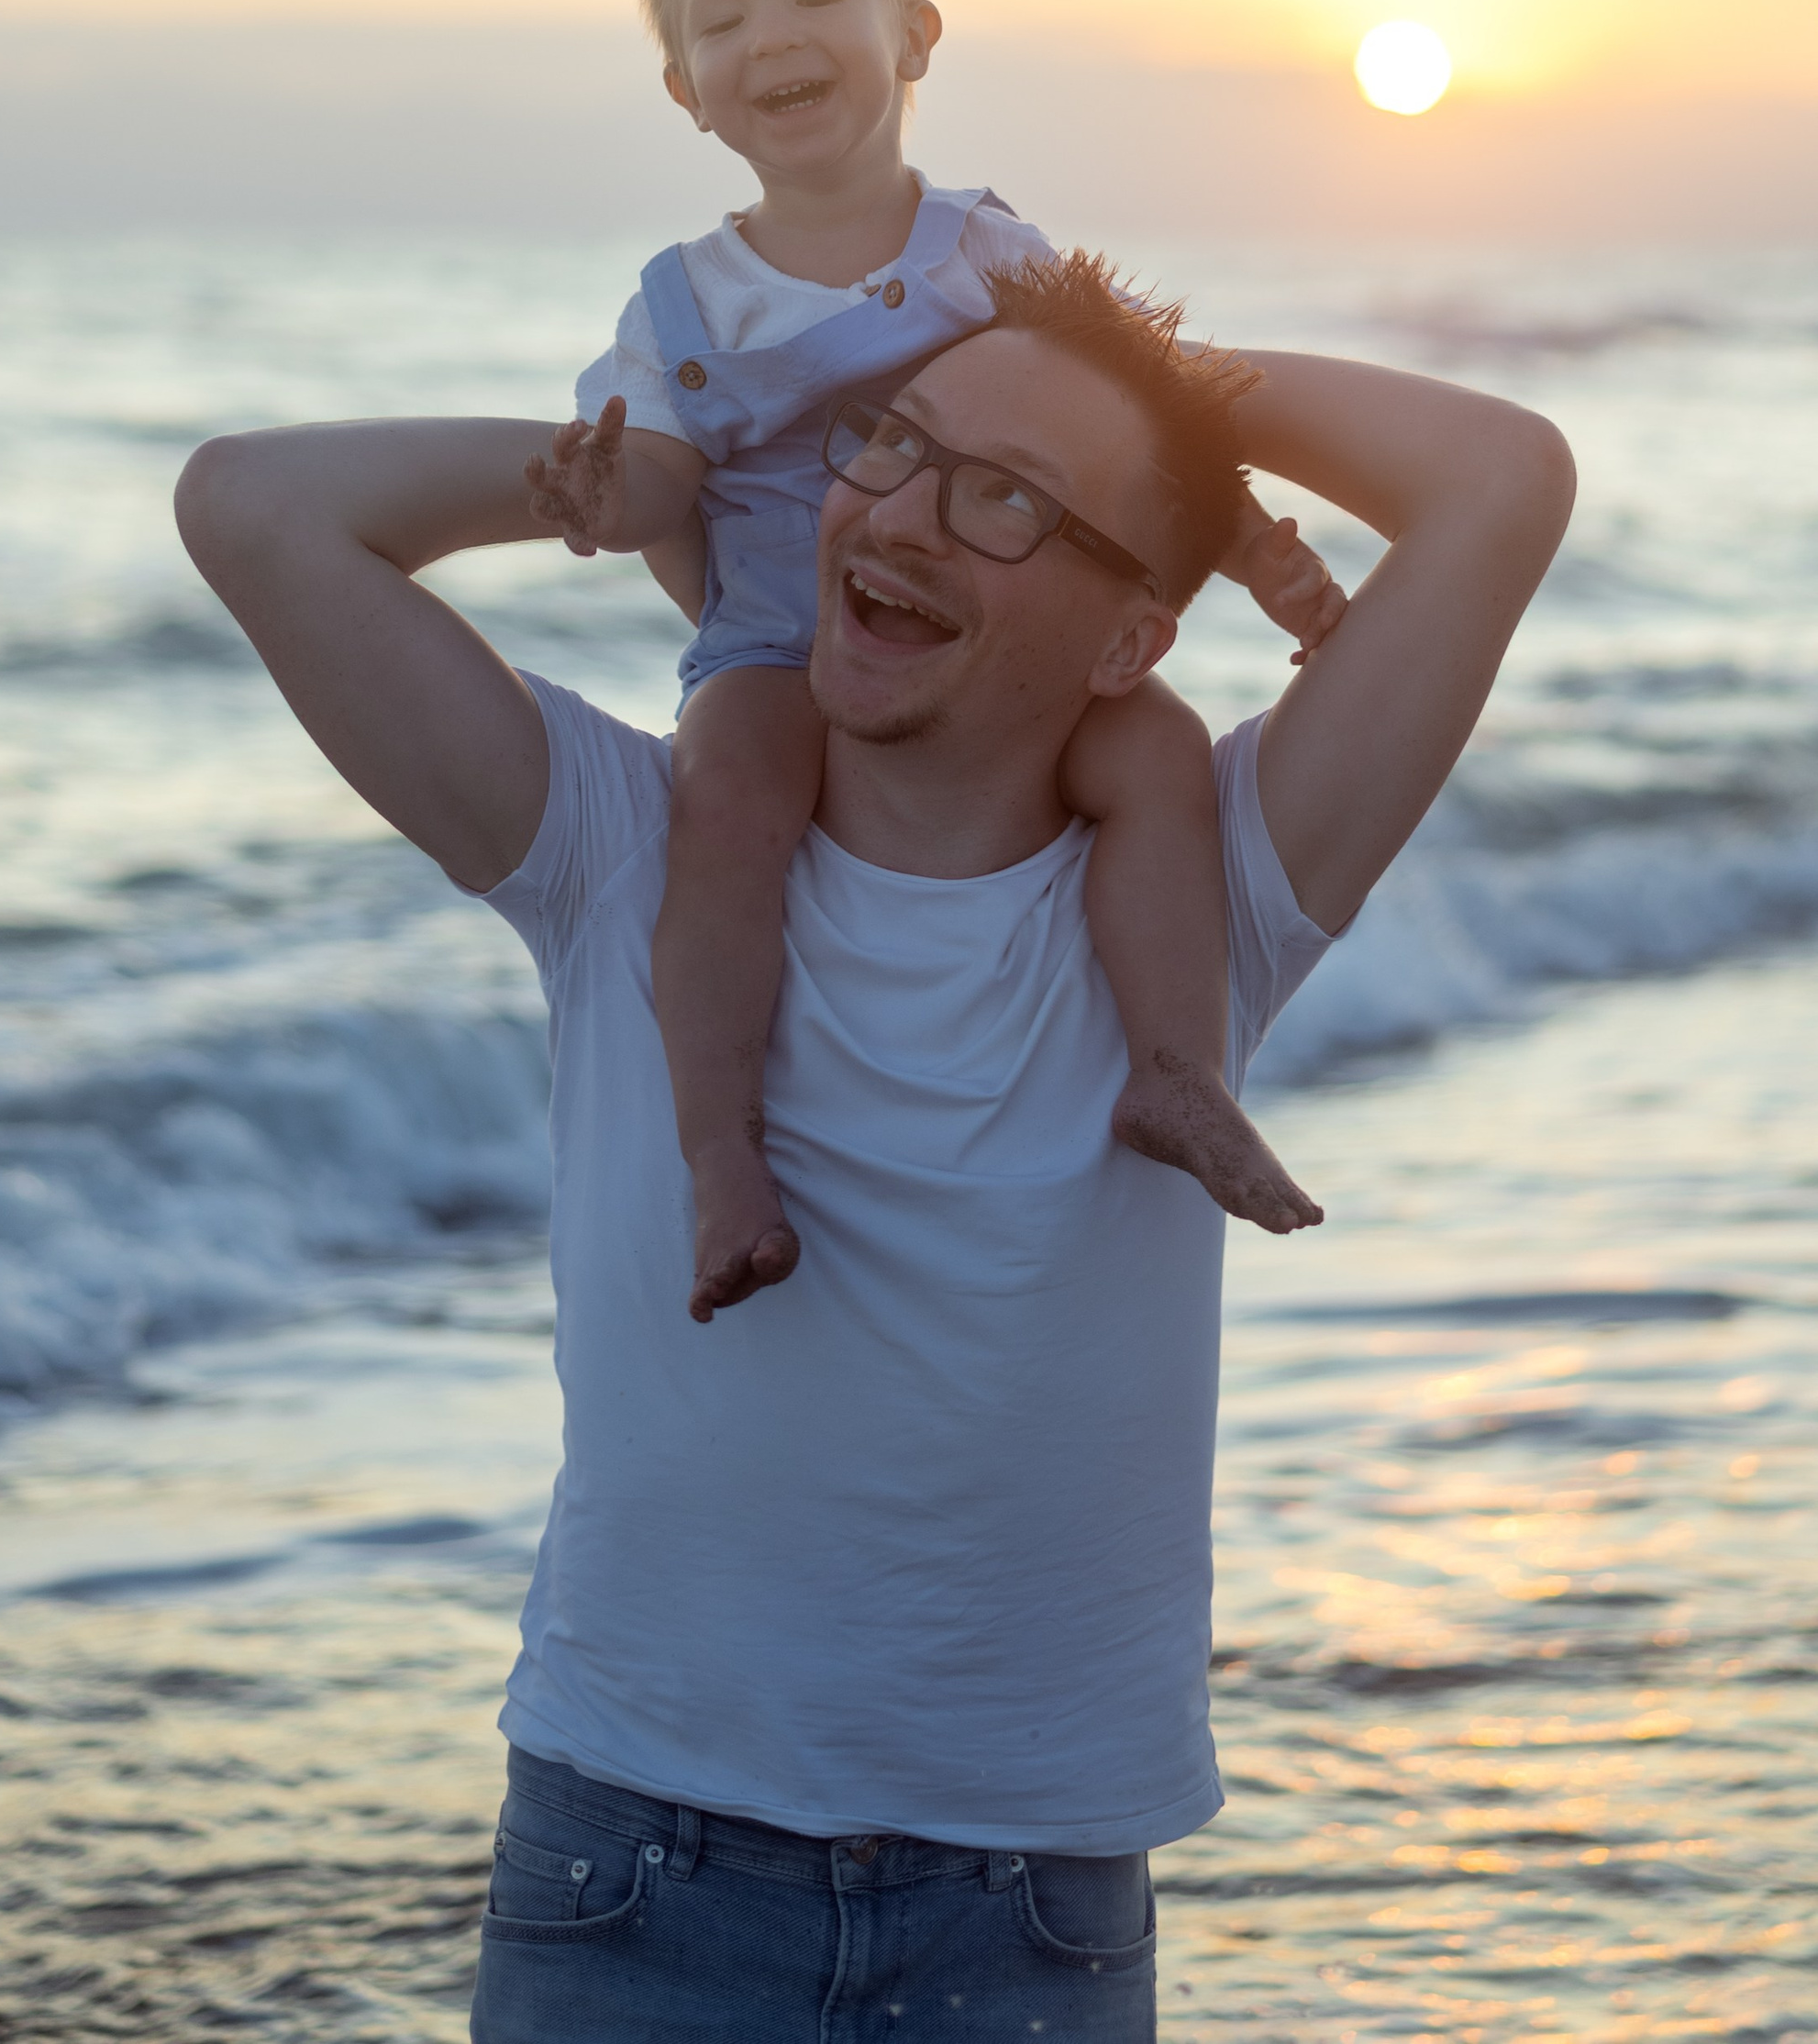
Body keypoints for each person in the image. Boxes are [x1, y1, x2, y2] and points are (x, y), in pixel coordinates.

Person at [174, 250, 1573, 2038]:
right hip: (633, 1874)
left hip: (1031, 1906)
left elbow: (1499, 478)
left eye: (1000, 497)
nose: (897, 514)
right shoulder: (627, 844)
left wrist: (1139, 369)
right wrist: (664, 455)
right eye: (885, 440)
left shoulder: (1201, 889)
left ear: (1135, 628)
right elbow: (254, 502)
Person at [524, 0, 1341, 1318]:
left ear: (914, 33)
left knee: (1153, 749)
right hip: (782, 645)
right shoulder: (682, 306)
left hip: (989, 643)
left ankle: (1177, 1070)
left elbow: (1143, 422)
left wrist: (1258, 551)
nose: (773, 34)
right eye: (722, 18)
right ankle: (719, 1150)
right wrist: (598, 492)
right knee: (725, 806)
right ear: (686, 91)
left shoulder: (992, 256)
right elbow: (660, 475)